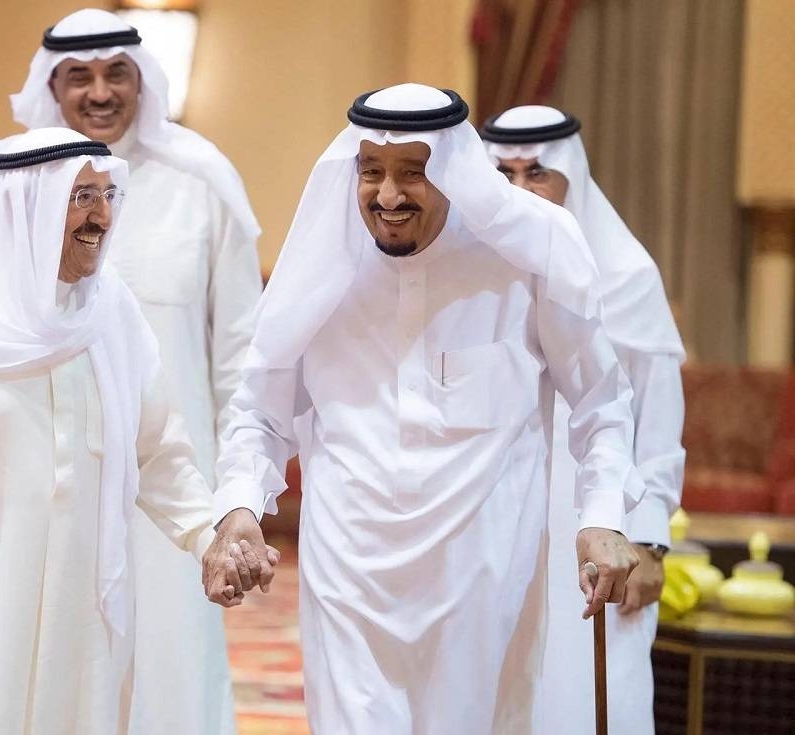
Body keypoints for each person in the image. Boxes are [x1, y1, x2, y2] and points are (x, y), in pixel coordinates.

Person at [207, 83, 643, 734]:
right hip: (347, 579)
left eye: (413, 172)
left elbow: (602, 400)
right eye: (371, 171)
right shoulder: (321, 266)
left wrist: (604, 514)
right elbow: (259, 411)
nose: (388, 195)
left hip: (484, 580)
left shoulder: (524, 257)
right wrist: (240, 506)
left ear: (456, 172)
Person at [0, 128, 273, 734]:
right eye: (81, 197)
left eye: (107, 196)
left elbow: (159, 453)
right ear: (31, 205)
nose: (101, 216)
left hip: (81, 605)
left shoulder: (111, 310)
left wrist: (210, 540)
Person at [0, 10, 263, 732]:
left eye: (116, 73)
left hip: (170, 478)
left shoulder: (202, 181)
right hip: (39, 479)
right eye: (79, 77)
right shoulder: (5, 183)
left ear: (142, 81)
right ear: (50, 86)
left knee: (171, 654)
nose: (99, 93)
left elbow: (242, 353)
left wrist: (237, 489)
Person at [483, 104, 685, 735]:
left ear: (571, 175)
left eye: (537, 172)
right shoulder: (473, 276)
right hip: (495, 524)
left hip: (601, 528)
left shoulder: (627, 275)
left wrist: (648, 541)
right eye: (505, 173)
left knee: (595, 692)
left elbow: (658, 424)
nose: (522, 189)